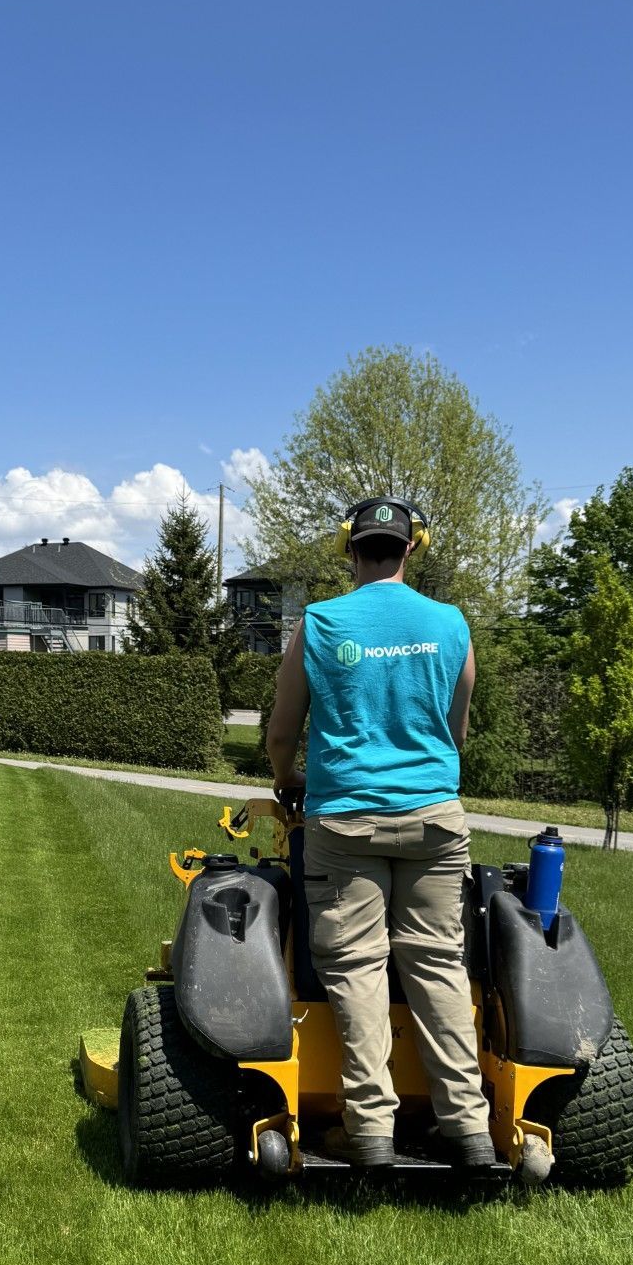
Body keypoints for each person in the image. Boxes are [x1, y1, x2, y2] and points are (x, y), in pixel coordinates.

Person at [265, 497, 495, 1171]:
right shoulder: (450, 625)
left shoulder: (321, 622)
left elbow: (282, 731)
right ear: (412, 547)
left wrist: (287, 778)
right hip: (434, 818)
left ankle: (369, 1131)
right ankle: (469, 1129)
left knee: (358, 966)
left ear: (350, 548)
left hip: (345, 822)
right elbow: (456, 729)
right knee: (438, 963)